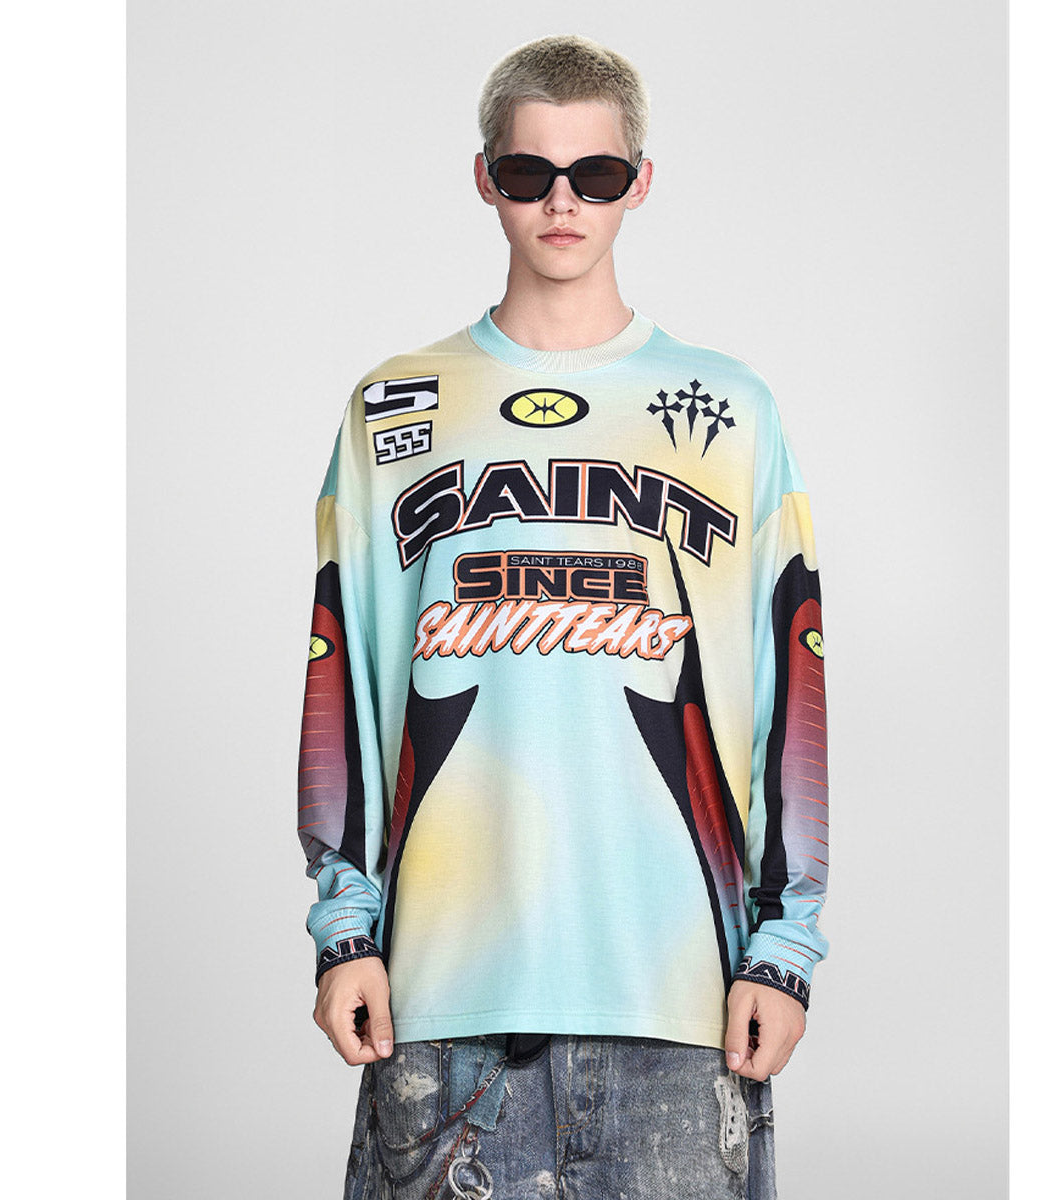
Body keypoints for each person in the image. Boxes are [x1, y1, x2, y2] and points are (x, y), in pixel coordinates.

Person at [298, 33, 829, 1200]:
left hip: (677, 998)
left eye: (595, 174)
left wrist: (783, 951)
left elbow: (791, 688)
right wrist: (346, 931)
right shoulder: (394, 410)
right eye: (529, 172)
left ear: (640, 182)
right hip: (442, 998)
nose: (561, 203)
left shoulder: (728, 410)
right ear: (484, 178)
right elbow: (342, 676)